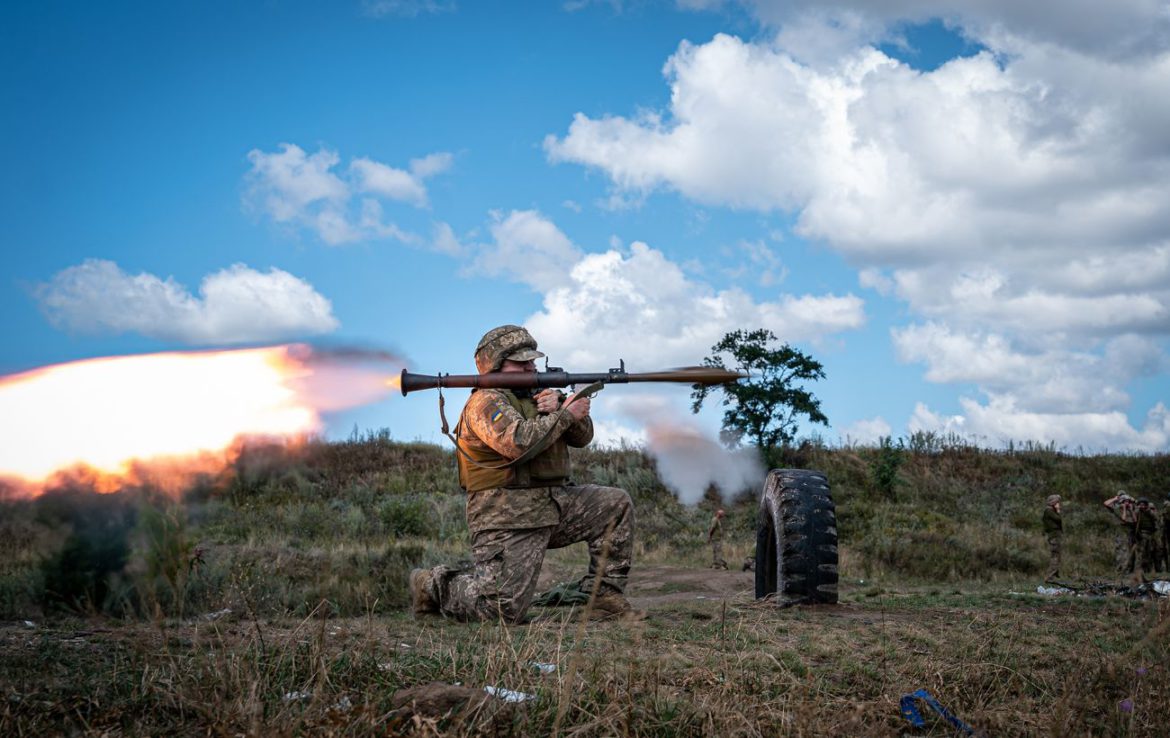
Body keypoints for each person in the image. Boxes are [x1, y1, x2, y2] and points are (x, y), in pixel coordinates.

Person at [410, 325, 643, 624]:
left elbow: (582, 438)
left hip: (553, 505)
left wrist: (561, 405)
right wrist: (563, 415)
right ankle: (432, 584)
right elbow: (517, 442)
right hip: (506, 515)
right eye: (520, 363)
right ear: (495, 365)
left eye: (531, 361)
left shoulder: (537, 395)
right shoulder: (485, 403)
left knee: (615, 505)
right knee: (501, 611)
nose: (530, 367)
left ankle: (605, 597)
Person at [1103, 491, 1137, 573]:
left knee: (1130, 550)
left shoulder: (1131, 509)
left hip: (1130, 532)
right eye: (1124, 501)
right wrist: (1116, 498)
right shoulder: (1117, 508)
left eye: (1127, 501)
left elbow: (1135, 520)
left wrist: (1131, 503)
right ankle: (1121, 569)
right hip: (1121, 532)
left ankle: (1129, 569)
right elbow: (1123, 519)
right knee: (1122, 551)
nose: (1127, 502)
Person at [1134, 498, 1159, 581]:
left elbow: (1156, 517)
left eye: (1143, 504)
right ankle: (1138, 571)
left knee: (1149, 552)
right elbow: (1134, 520)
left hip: (1151, 534)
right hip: (1142, 534)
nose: (1142, 506)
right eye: (1140, 504)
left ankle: (1147, 570)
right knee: (1141, 553)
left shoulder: (1150, 512)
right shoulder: (1138, 512)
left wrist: (1148, 511)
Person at [1042, 494, 1063, 582]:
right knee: (1055, 556)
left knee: (1057, 555)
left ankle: (1054, 573)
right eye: (1057, 502)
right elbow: (1058, 519)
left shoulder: (1049, 511)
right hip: (1054, 536)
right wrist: (1058, 510)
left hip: (1055, 535)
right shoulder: (1049, 511)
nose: (1059, 504)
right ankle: (1050, 576)